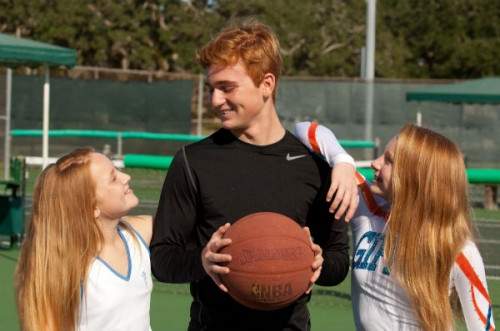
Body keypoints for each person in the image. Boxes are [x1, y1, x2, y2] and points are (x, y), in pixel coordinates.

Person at [150, 20, 356, 331]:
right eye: (211, 89)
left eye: (227, 88)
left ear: (267, 84)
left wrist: (318, 263)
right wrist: (202, 262)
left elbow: (339, 259)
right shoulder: (192, 161)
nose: (215, 101)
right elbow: (162, 258)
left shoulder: (316, 166)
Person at [297, 121, 496, 331]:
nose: (375, 163)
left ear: (416, 177)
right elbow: (305, 129)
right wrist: (343, 161)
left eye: (389, 161)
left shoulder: (457, 248)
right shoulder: (367, 206)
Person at [15, 148, 153, 331]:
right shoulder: (66, 266)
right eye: (113, 178)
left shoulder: (138, 233)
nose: (126, 177)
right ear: (92, 206)